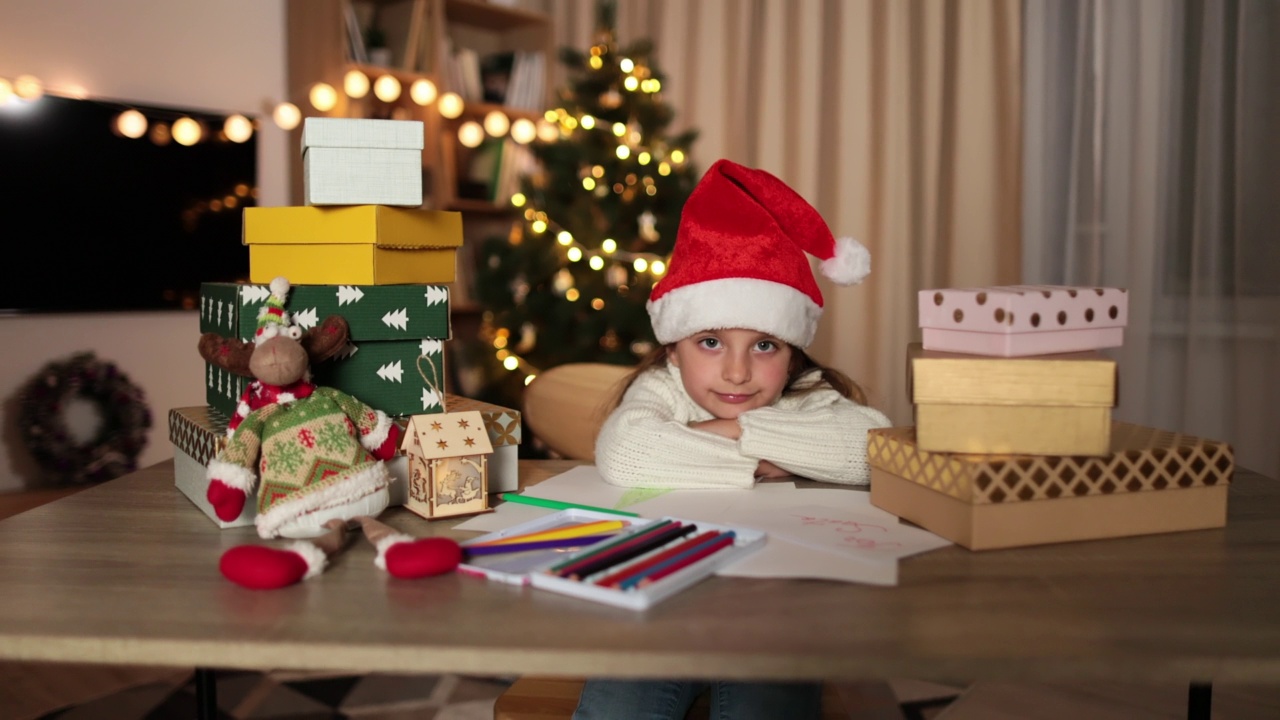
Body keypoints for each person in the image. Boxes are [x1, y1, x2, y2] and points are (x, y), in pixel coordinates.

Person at [575, 159, 892, 720]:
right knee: (620, 703)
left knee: (765, 700)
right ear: (673, 346)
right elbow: (627, 450)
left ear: (792, 351)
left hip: (775, 607)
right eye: (712, 342)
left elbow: (871, 446)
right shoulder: (662, 386)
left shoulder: (807, 391)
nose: (738, 373)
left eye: (764, 345)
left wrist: (728, 433)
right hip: (658, 595)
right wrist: (779, 454)